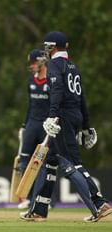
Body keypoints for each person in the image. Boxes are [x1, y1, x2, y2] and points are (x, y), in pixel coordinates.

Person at [20, 31, 112, 222]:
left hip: (62, 117)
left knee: (73, 162)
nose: (46, 50)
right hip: (74, 115)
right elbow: (82, 97)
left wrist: (53, 116)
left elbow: (58, 91)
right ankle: (39, 210)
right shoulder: (72, 65)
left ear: (52, 47)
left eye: (47, 46)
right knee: (51, 161)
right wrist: (86, 125)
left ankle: (99, 203)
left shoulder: (54, 64)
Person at [18, 49, 58, 211]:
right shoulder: (31, 81)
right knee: (24, 161)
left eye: (34, 62)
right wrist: (24, 125)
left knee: (46, 164)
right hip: (32, 126)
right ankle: (28, 198)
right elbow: (30, 106)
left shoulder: (52, 81)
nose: (32, 65)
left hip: (46, 126)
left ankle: (46, 200)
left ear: (42, 62)